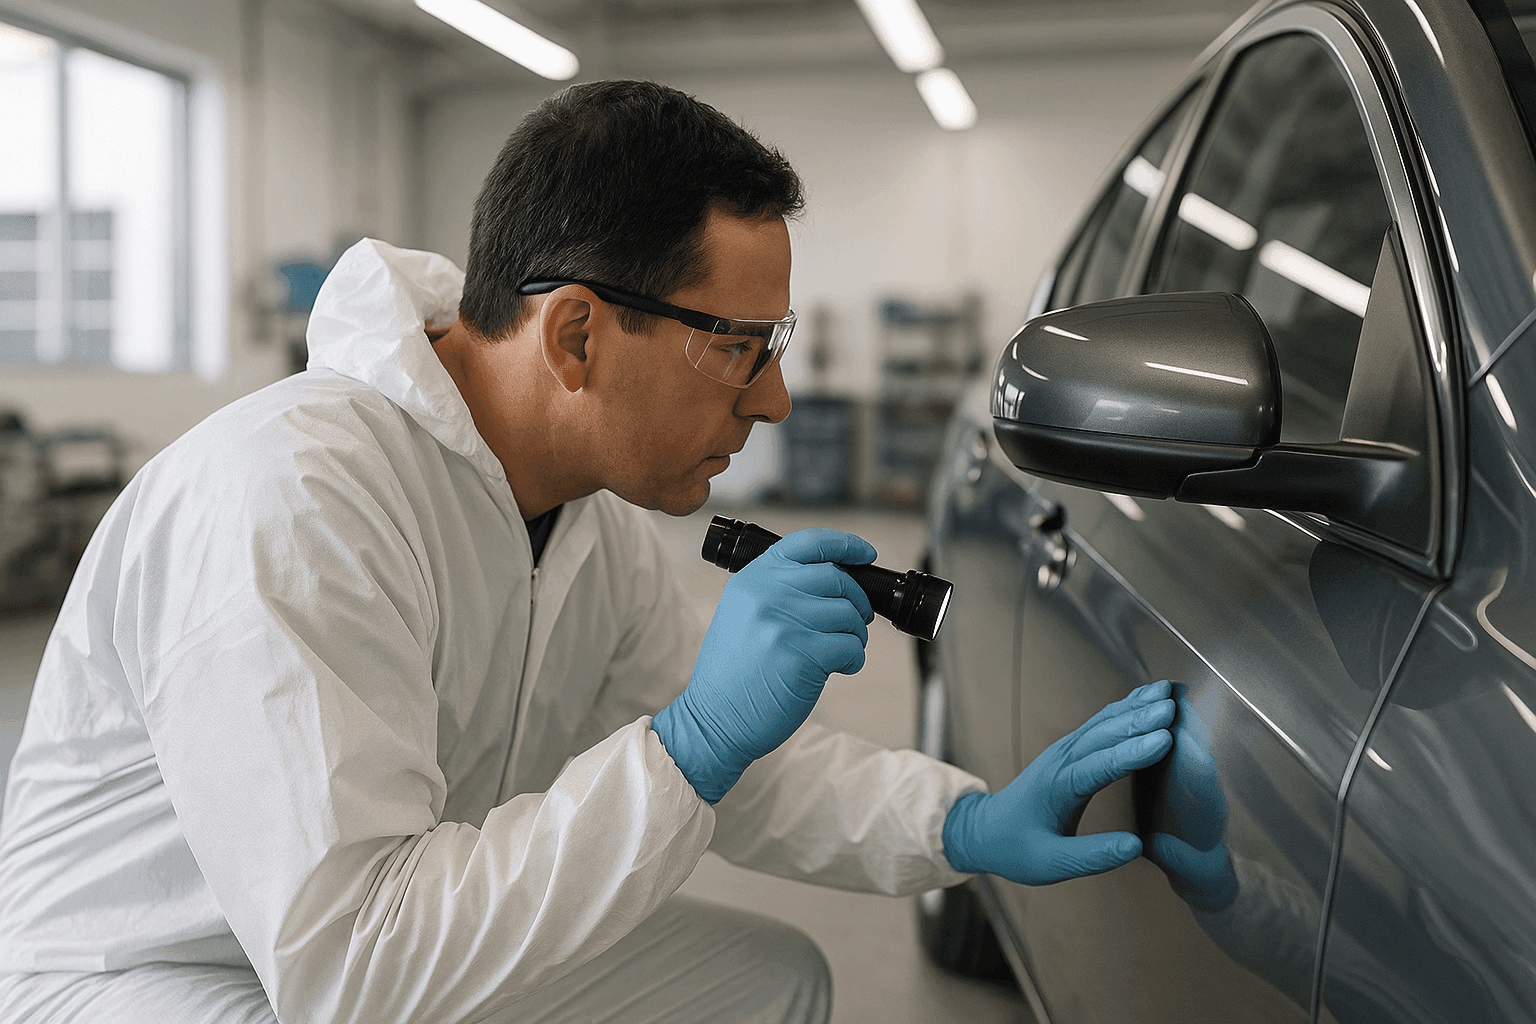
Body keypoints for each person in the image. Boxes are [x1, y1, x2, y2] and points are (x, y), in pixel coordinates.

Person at [0, 80, 1174, 1024]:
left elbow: (739, 760)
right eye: (740, 348)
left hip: (346, 959)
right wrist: (689, 741)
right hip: (145, 977)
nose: (771, 400)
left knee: (762, 984)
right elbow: (356, 969)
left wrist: (965, 825)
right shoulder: (294, 499)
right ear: (575, 333)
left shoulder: (587, 521)